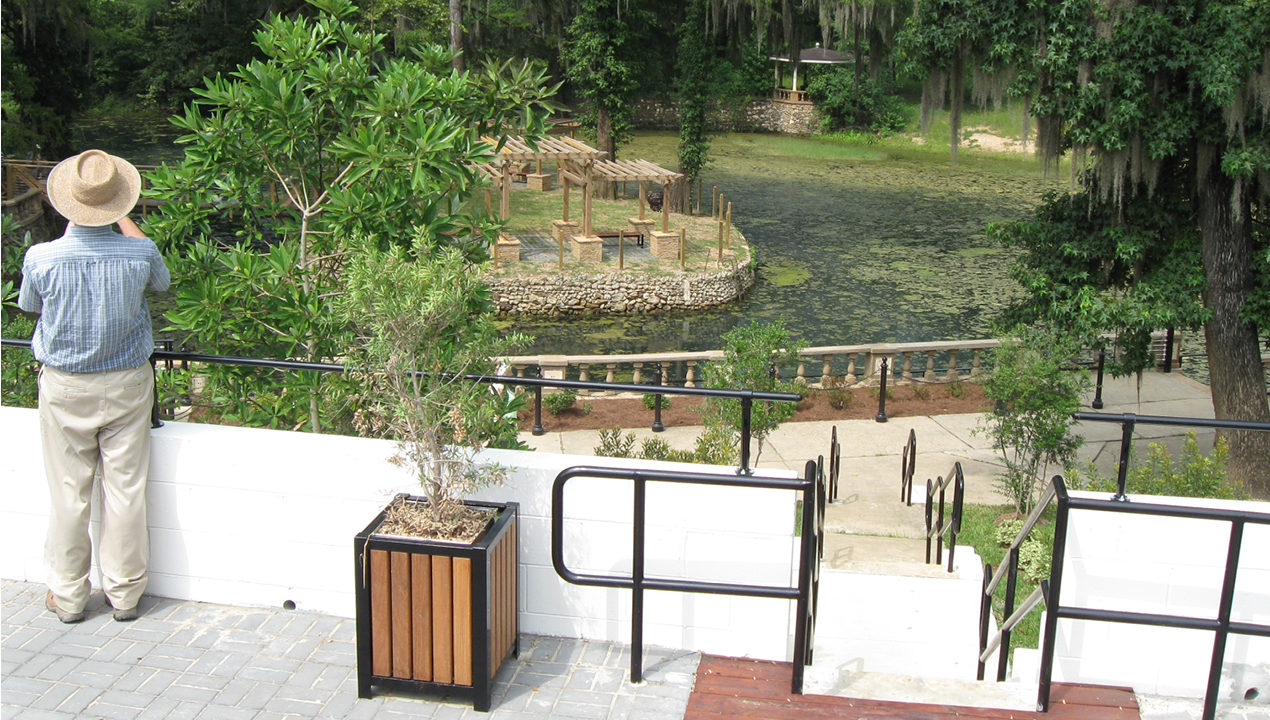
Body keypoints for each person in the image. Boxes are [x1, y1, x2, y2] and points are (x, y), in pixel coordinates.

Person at [18, 149, 170, 623]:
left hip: (65, 386)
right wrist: (124, 219)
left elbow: (29, 306)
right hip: (126, 382)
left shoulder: (42, 257)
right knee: (125, 489)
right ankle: (124, 594)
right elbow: (162, 283)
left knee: (69, 492)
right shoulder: (140, 252)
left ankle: (67, 596)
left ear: (66, 203)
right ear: (117, 203)